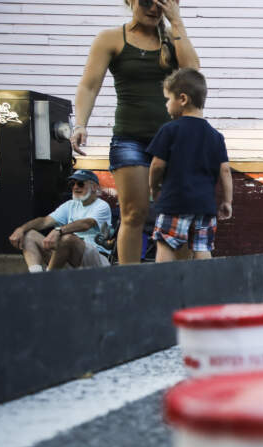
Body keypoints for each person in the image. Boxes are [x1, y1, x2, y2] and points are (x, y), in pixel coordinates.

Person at [71, 0, 199, 265]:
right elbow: (89, 86)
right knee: (133, 213)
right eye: (145, 2)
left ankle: (183, 284)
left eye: (160, 3)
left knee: (179, 213)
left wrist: (176, 22)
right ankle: (130, 283)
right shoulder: (110, 39)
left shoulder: (172, 38)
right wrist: (81, 123)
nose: (153, 8)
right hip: (130, 139)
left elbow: (193, 74)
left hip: (173, 141)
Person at [147, 68, 231, 262]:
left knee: (166, 242)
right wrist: (227, 201)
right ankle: (207, 289)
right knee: (202, 246)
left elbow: (157, 165)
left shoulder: (169, 130)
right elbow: (225, 170)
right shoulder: (215, 136)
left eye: (168, 99)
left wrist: (154, 187)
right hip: (205, 204)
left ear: (182, 99)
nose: (167, 105)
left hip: (174, 201)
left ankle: (165, 286)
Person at [7, 170, 112, 272]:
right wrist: (21, 229)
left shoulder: (102, 205)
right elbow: (44, 221)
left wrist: (59, 231)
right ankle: (36, 275)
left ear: (94, 187)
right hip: (68, 259)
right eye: (72, 184)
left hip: (96, 260)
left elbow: (86, 224)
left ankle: (48, 278)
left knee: (67, 239)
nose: (75, 187)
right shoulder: (70, 205)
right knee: (29, 234)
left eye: (80, 184)